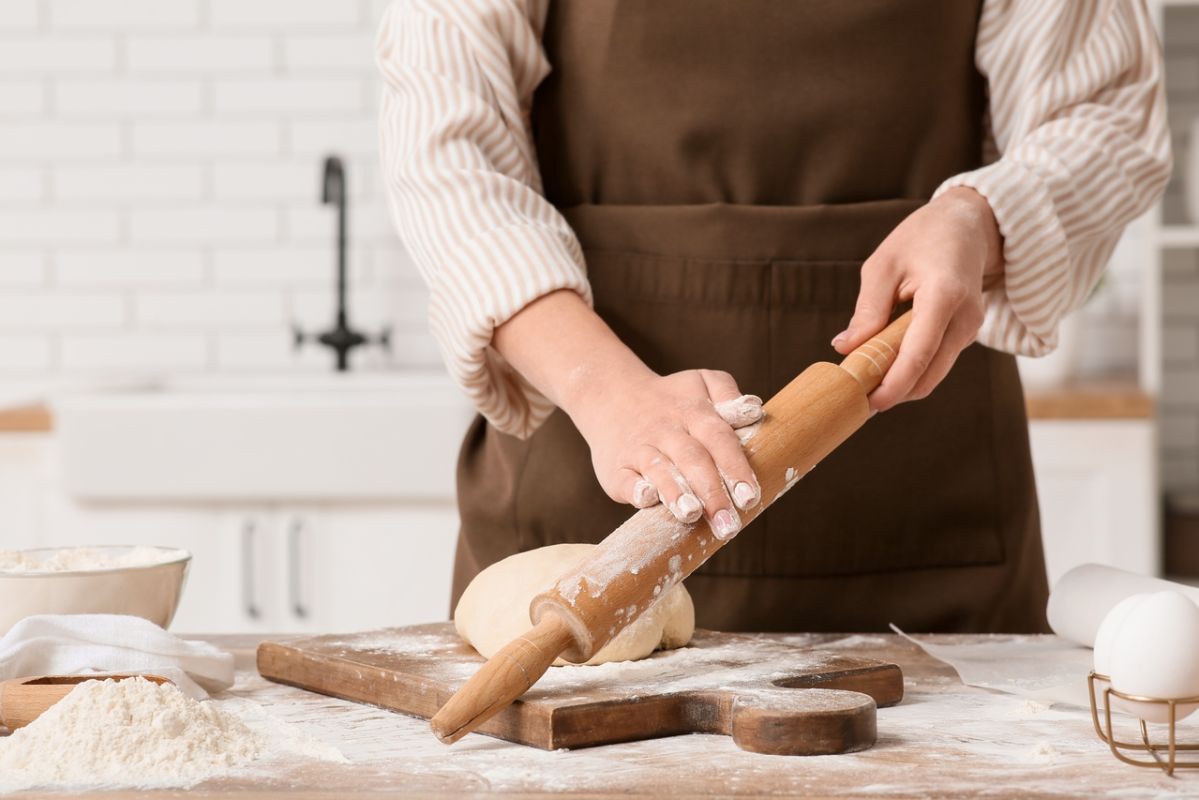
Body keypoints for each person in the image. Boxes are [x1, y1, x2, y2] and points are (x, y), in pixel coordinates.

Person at [377, 0, 1170, 633]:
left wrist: (978, 216)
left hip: (922, 529)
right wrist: (604, 389)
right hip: (578, 528)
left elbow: (1106, 112)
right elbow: (448, 150)